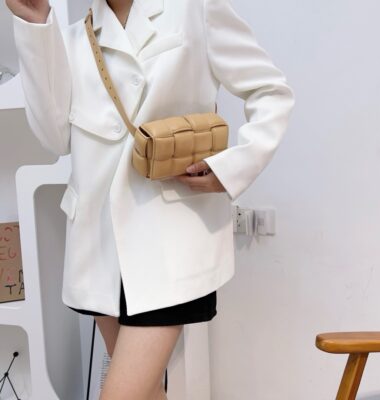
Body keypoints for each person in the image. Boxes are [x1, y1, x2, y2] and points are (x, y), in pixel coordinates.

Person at [6, 0, 295, 398]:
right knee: (147, 394)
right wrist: (35, 24)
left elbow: (271, 92)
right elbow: (54, 138)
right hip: (100, 248)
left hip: (170, 242)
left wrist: (231, 168)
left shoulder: (194, 8)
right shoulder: (74, 37)